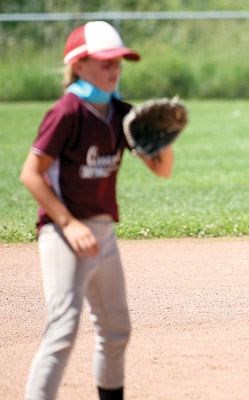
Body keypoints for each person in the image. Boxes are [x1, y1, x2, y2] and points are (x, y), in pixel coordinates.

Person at [20, 21, 174, 400]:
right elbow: (31, 174)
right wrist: (69, 224)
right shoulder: (67, 112)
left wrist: (163, 140)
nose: (115, 69)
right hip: (63, 232)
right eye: (105, 62)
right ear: (79, 65)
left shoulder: (122, 114)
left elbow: (162, 170)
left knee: (116, 329)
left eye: (118, 62)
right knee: (62, 330)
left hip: (102, 230)